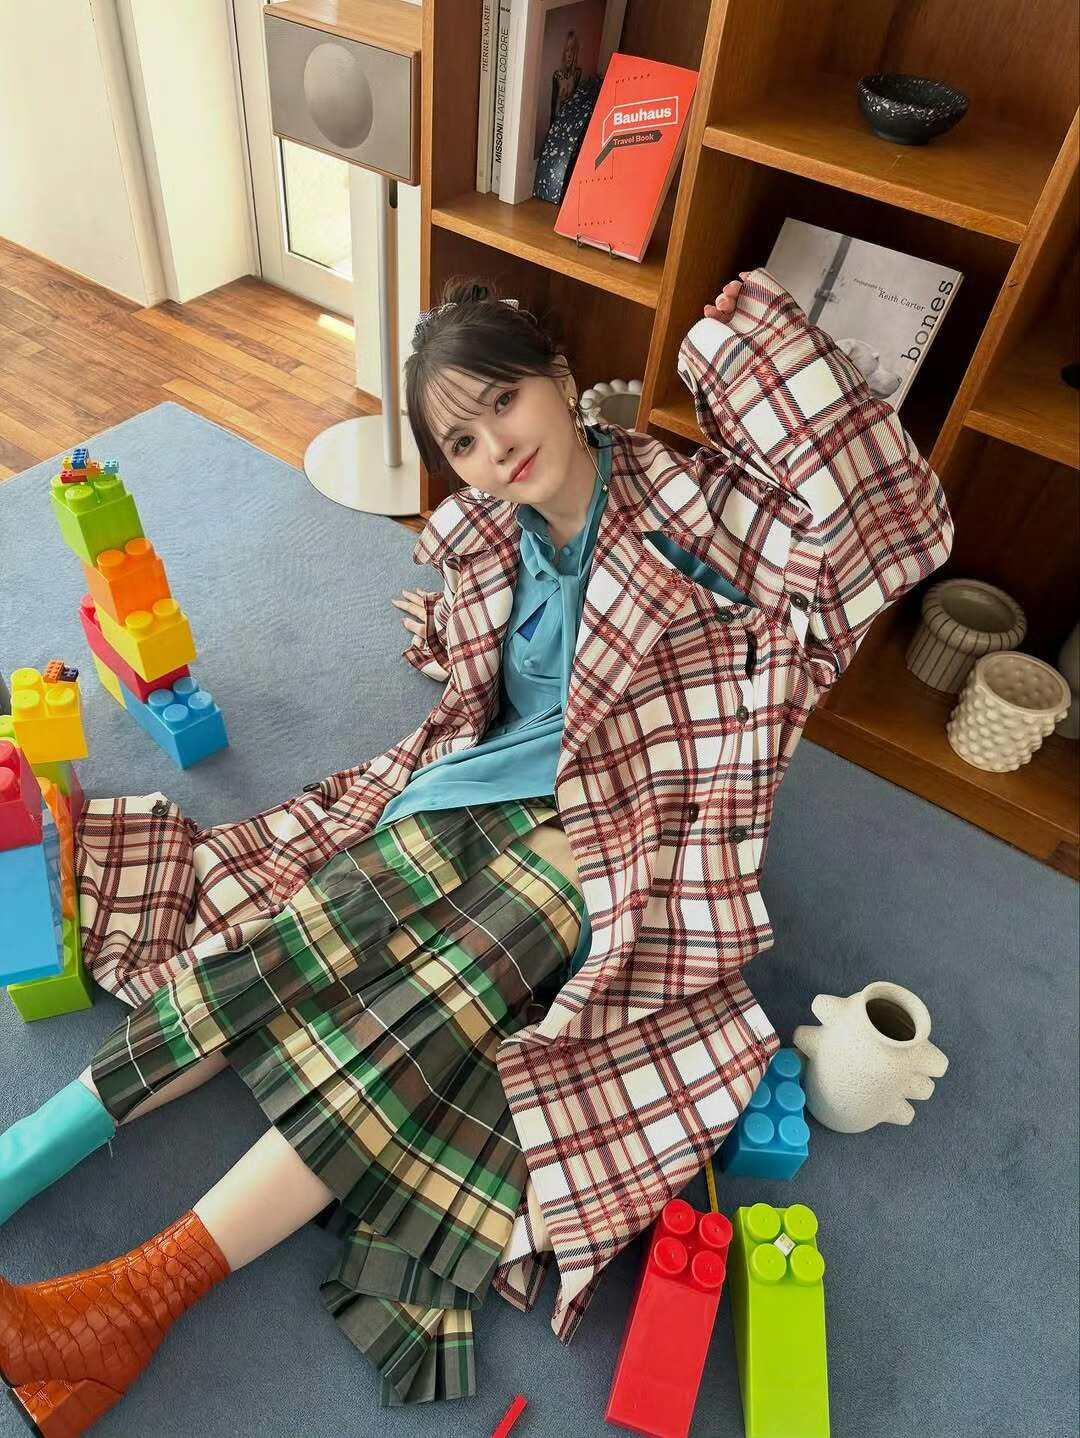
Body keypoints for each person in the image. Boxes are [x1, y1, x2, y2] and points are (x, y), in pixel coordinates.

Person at [0, 270, 953, 1434]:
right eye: (460, 439)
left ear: (560, 375)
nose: (495, 447)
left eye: (504, 400)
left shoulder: (706, 511)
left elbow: (892, 523)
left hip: (618, 836)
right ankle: (20, 1163)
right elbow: (488, 661)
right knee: (287, 942)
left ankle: (133, 1301)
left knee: (414, 1024)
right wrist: (453, 636)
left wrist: (732, 340)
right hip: (462, 792)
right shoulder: (491, 538)